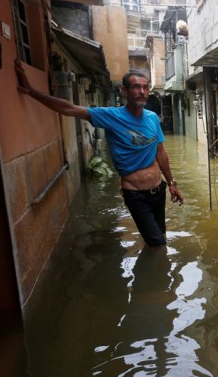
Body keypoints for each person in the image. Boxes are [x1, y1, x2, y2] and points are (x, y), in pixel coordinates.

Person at [14, 60, 184, 247]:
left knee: (160, 237)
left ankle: (157, 266)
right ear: (124, 91)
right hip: (136, 195)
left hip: (158, 190)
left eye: (145, 87)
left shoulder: (152, 118)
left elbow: (161, 153)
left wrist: (172, 183)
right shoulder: (111, 116)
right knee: (157, 242)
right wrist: (31, 91)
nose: (142, 92)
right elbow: (69, 109)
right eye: (136, 87)